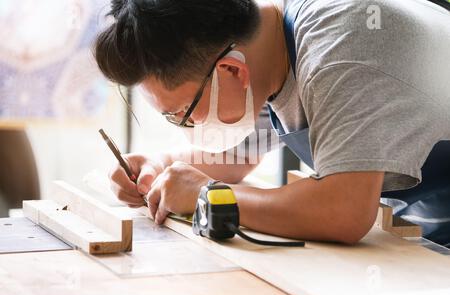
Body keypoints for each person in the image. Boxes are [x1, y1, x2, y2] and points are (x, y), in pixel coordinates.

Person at [94, 0, 450, 245]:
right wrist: (161, 167)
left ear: (231, 70)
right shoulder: (267, 52)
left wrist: (207, 195)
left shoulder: (339, 46)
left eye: (183, 114)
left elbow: (344, 212)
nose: (187, 126)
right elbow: (235, 159)